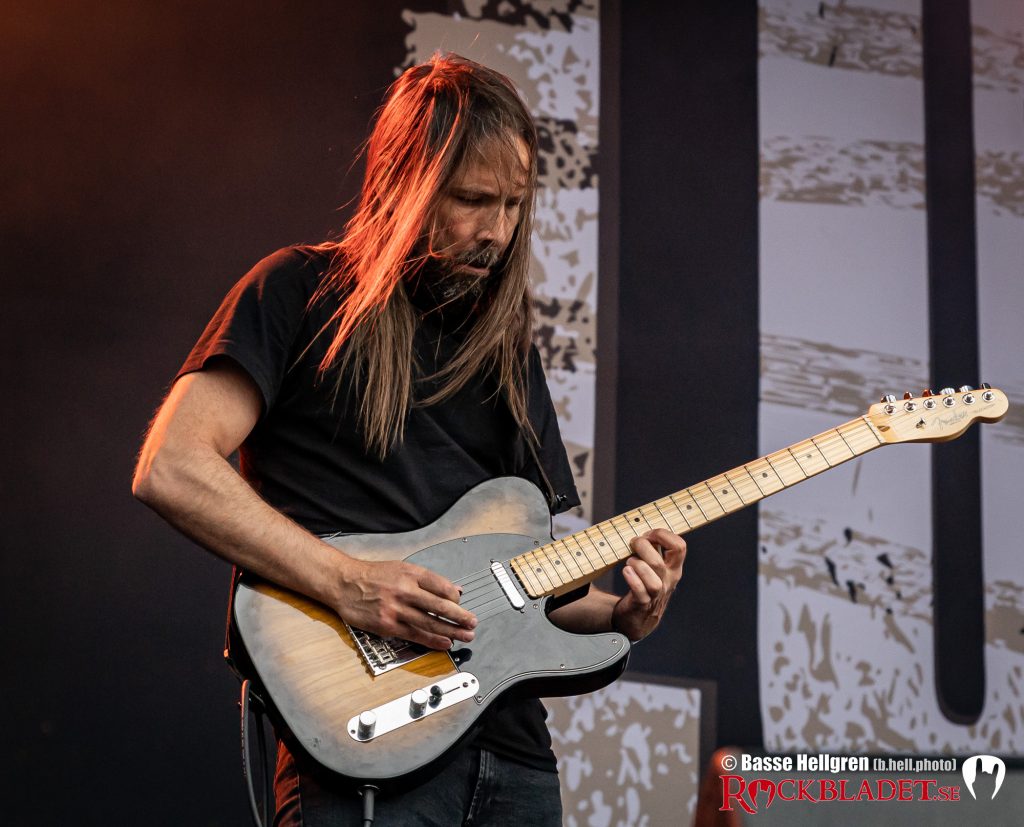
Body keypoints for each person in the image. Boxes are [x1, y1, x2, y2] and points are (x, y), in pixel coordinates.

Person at [133, 53, 686, 826]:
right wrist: (347, 582)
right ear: (403, 182)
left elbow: (536, 597)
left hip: (516, 761)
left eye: (514, 205)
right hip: (366, 751)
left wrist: (624, 614)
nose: (497, 232)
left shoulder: (507, 354)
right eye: (472, 200)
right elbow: (171, 465)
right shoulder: (296, 291)